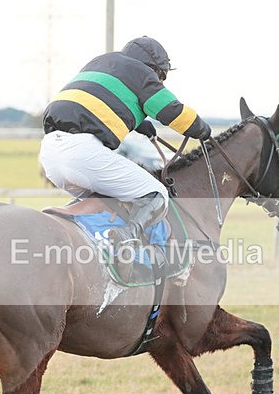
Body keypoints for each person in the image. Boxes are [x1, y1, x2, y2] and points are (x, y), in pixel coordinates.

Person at [40, 36, 211, 246]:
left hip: (49, 154)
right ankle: (126, 239)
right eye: (160, 77)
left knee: (112, 203)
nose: (159, 82)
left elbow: (98, 100)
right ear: (154, 69)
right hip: (82, 154)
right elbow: (172, 112)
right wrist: (201, 128)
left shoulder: (100, 62)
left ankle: (101, 250)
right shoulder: (141, 73)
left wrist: (140, 124)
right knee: (156, 194)